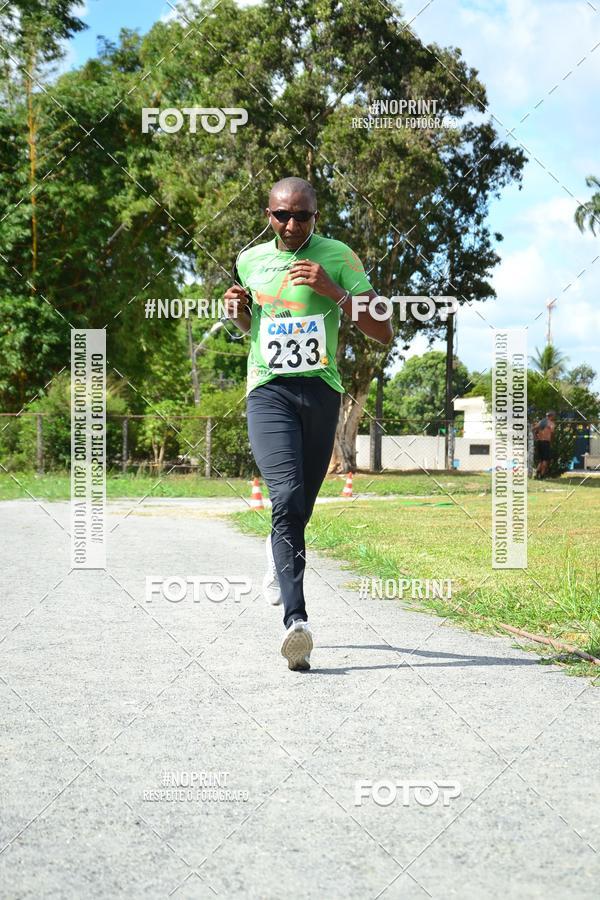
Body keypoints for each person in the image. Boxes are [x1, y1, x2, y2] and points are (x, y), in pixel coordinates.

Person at [223, 176, 393, 671]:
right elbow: (249, 326)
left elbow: (382, 329)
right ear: (267, 216)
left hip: (321, 392)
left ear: (316, 216)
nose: (292, 224)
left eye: (302, 216)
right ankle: (296, 622)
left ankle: (279, 560)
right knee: (286, 495)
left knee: (302, 503)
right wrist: (237, 313)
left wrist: (334, 290)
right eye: (282, 215)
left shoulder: (338, 255)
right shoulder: (250, 260)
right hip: (268, 390)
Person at [533, 410, 556, 479]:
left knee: (541, 459)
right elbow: (552, 433)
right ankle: (542, 475)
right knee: (545, 460)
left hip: (539, 442)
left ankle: (537, 473)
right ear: (551, 416)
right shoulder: (551, 423)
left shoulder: (541, 422)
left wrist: (535, 437)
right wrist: (552, 441)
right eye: (553, 416)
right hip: (546, 442)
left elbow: (533, 429)